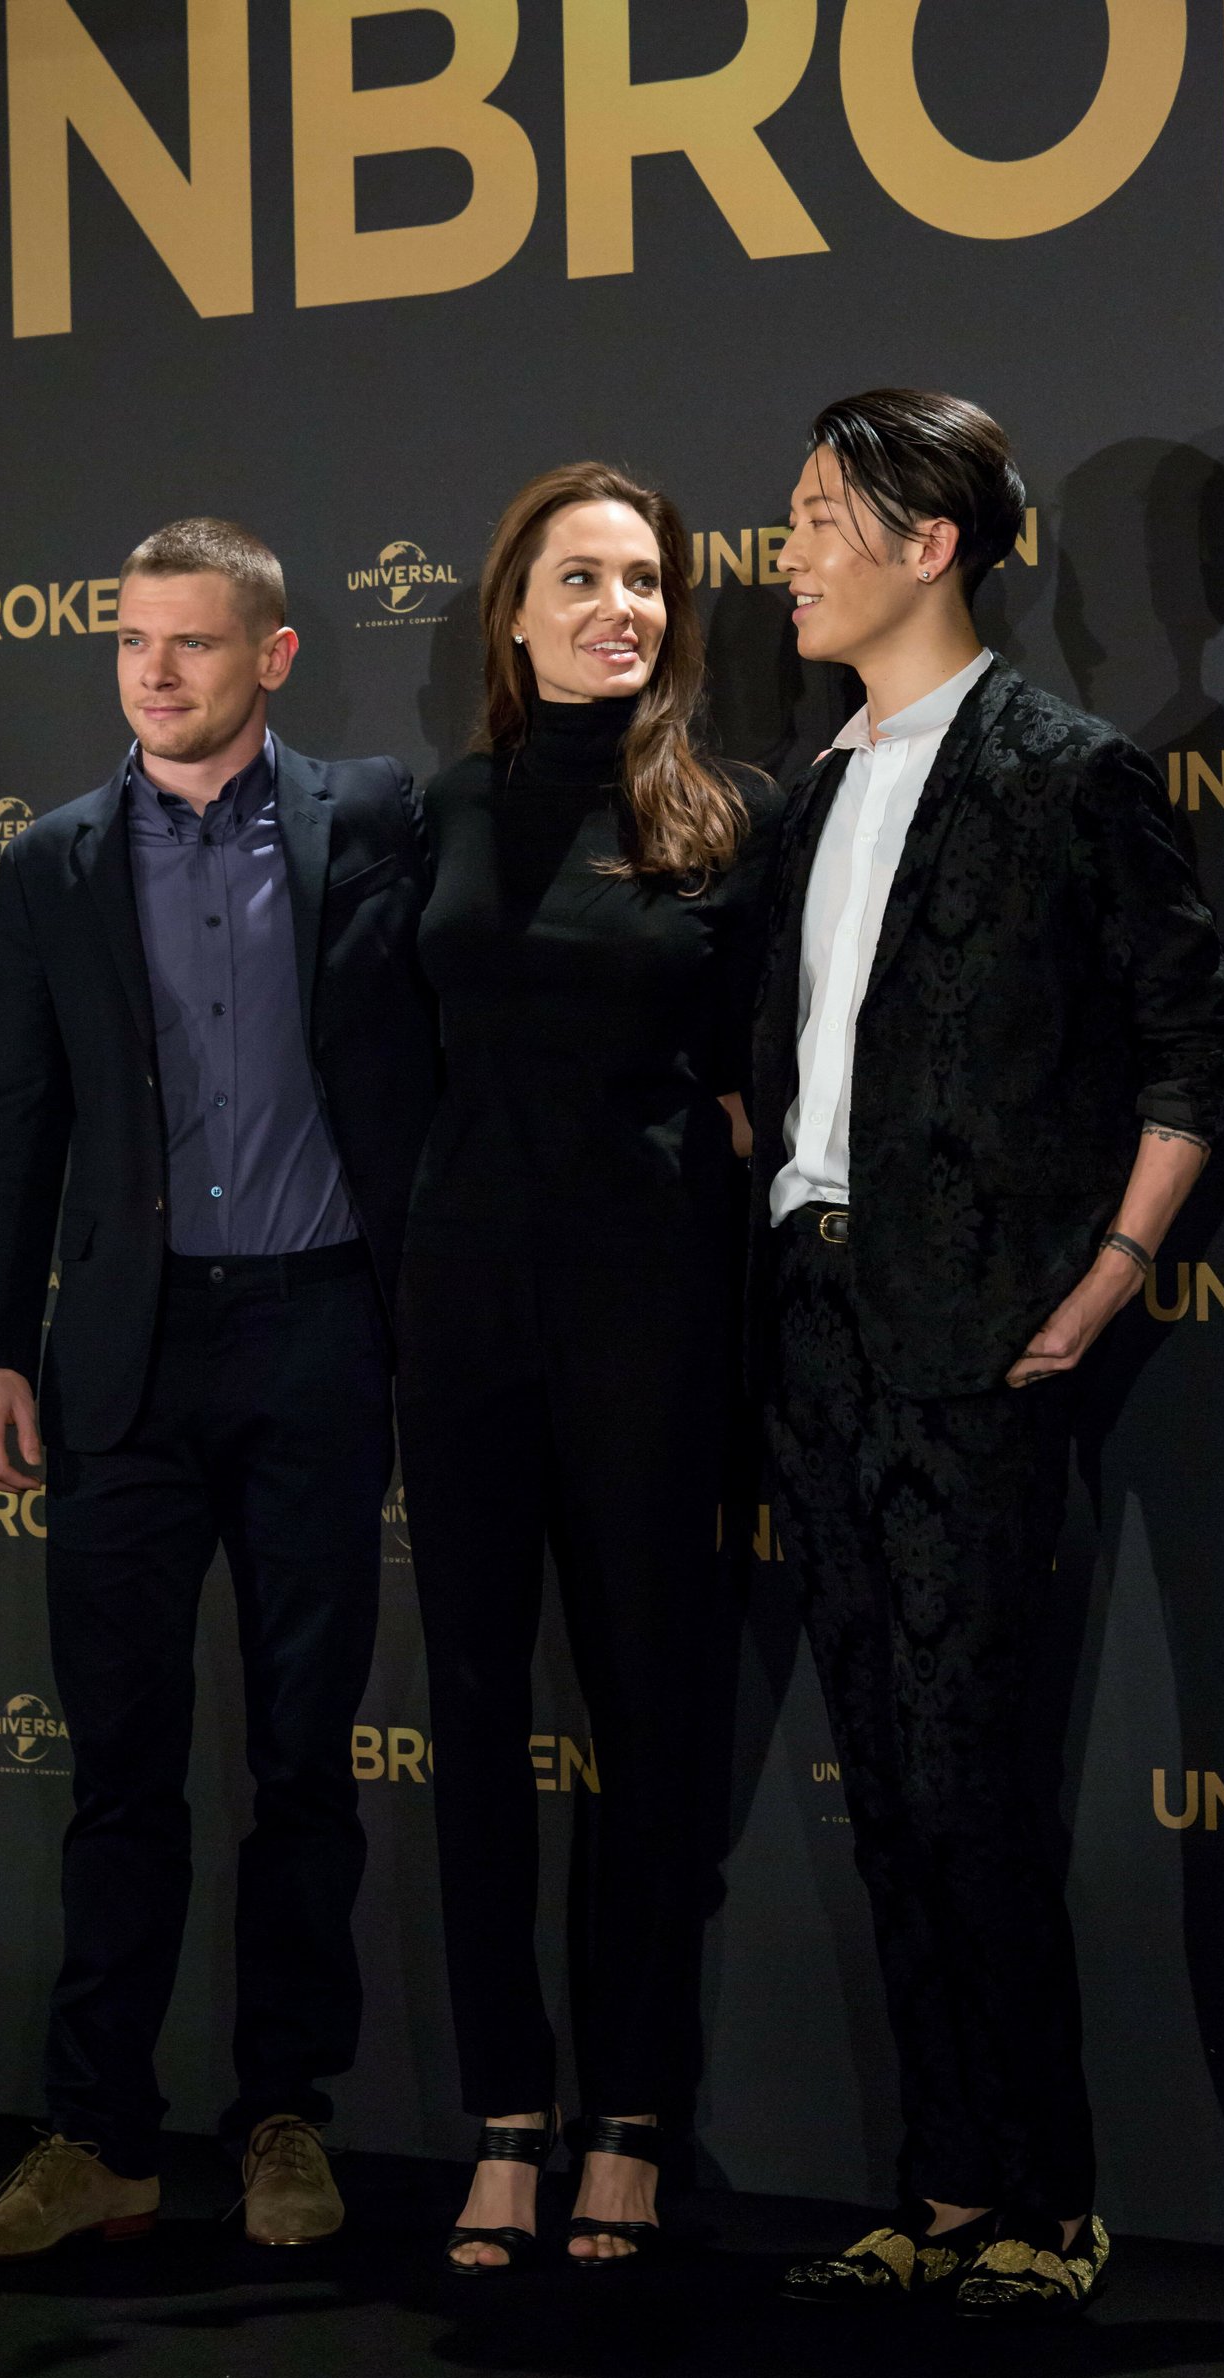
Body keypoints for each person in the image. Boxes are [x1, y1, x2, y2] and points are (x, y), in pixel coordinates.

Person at [751, 393, 1224, 2320]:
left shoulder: (1065, 774)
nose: (787, 551)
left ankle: (1049, 2200)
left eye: (822, 515)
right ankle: (943, 2189)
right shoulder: (807, 792)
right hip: (813, 1331)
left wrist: (1110, 1270)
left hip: (978, 1346)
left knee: (970, 1782)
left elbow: (1210, 1055)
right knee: (882, 1784)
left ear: (929, 541)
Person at [0, 517, 438, 2262]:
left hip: (319, 1335)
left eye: (193, 642)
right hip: (124, 1359)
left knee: (303, 1760)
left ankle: (287, 2117)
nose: (154, 672)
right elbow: (18, 1113)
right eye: (133, 641)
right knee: (122, 1765)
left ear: (273, 657)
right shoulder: (54, 858)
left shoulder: (375, 819)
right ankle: (99, 2140)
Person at [395, 462, 781, 2274]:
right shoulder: (446, 808)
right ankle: (504, 2117)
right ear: (512, 608)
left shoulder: (730, 816)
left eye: (645, 580)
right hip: (464, 1312)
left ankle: (630, 2113)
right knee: (475, 1716)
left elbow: (766, 1082)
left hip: (651, 1319)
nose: (619, 607)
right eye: (581, 577)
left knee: (649, 1714)